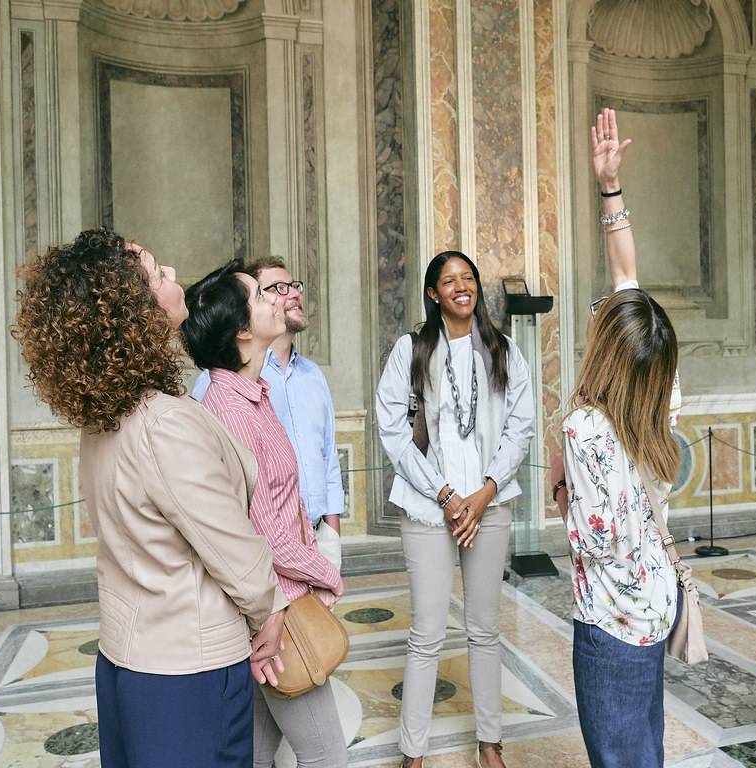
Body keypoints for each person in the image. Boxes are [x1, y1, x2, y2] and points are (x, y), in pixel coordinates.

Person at [12, 228, 289, 768]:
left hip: (127, 660)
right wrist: (270, 609)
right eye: (160, 274)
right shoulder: (163, 423)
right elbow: (229, 543)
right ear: (133, 314)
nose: (174, 276)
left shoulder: (105, 417)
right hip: (187, 670)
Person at [552, 108, 682, 768]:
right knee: (645, 748)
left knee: (619, 755)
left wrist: (563, 491)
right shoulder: (661, 390)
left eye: (602, 313)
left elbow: (600, 542)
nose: (603, 304)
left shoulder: (583, 429)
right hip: (659, 604)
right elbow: (626, 273)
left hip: (613, 621)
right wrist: (610, 188)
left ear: (603, 347)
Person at [181, 260, 348, 768]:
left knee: (251, 751)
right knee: (326, 755)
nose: (280, 297)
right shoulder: (228, 409)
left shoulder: (255, 395)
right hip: (274, 608)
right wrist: (325, 573)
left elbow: (285, 497)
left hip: (269, 607)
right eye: (261, 295)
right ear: (243, 331)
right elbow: (261, 532)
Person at [375, 251, 536, 768]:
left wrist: (484, 492)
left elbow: (521, 429)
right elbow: (395, 433)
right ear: (433, 293)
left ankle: (490, 745)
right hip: (427, 508)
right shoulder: (411, 349)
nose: (461, 286)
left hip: (489, 506)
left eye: (468, 278)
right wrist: (445, 496)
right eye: (449, 281)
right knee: (426, 632)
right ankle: (412, 753)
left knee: (485, 629)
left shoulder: (504, 349)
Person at [192, 258, 344, 570]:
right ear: (242, 325)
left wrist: (329, 538)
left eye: (294, 287)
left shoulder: (295, 379)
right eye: (269, 291)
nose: (288, 296)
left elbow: (326, 458)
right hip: (270, 563)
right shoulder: (223, 392)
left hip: (310, 540)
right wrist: (326, 575)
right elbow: (253, 520)